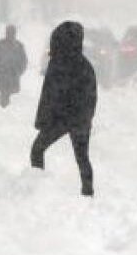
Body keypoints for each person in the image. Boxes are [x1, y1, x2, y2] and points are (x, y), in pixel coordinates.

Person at [31, 21, 97, 197]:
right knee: (82, 158)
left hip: (59, 119)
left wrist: (43, 121)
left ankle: (37, 189)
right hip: (79, 121)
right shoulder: (86, 66)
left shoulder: (57, 64)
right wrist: (85, 120)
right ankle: (88, 193)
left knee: (37, 149)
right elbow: (91, 97)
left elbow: (48, 96)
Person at [0, 25, 28, 108]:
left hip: (14, 76)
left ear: (15, 33)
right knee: (4, 97)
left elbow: (24, 61)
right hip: (2, 76)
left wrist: (19, 72)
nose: (10, 35)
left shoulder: (19, 46)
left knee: (14, 100)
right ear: (6, 33)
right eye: (8, 32)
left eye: (12, 33)